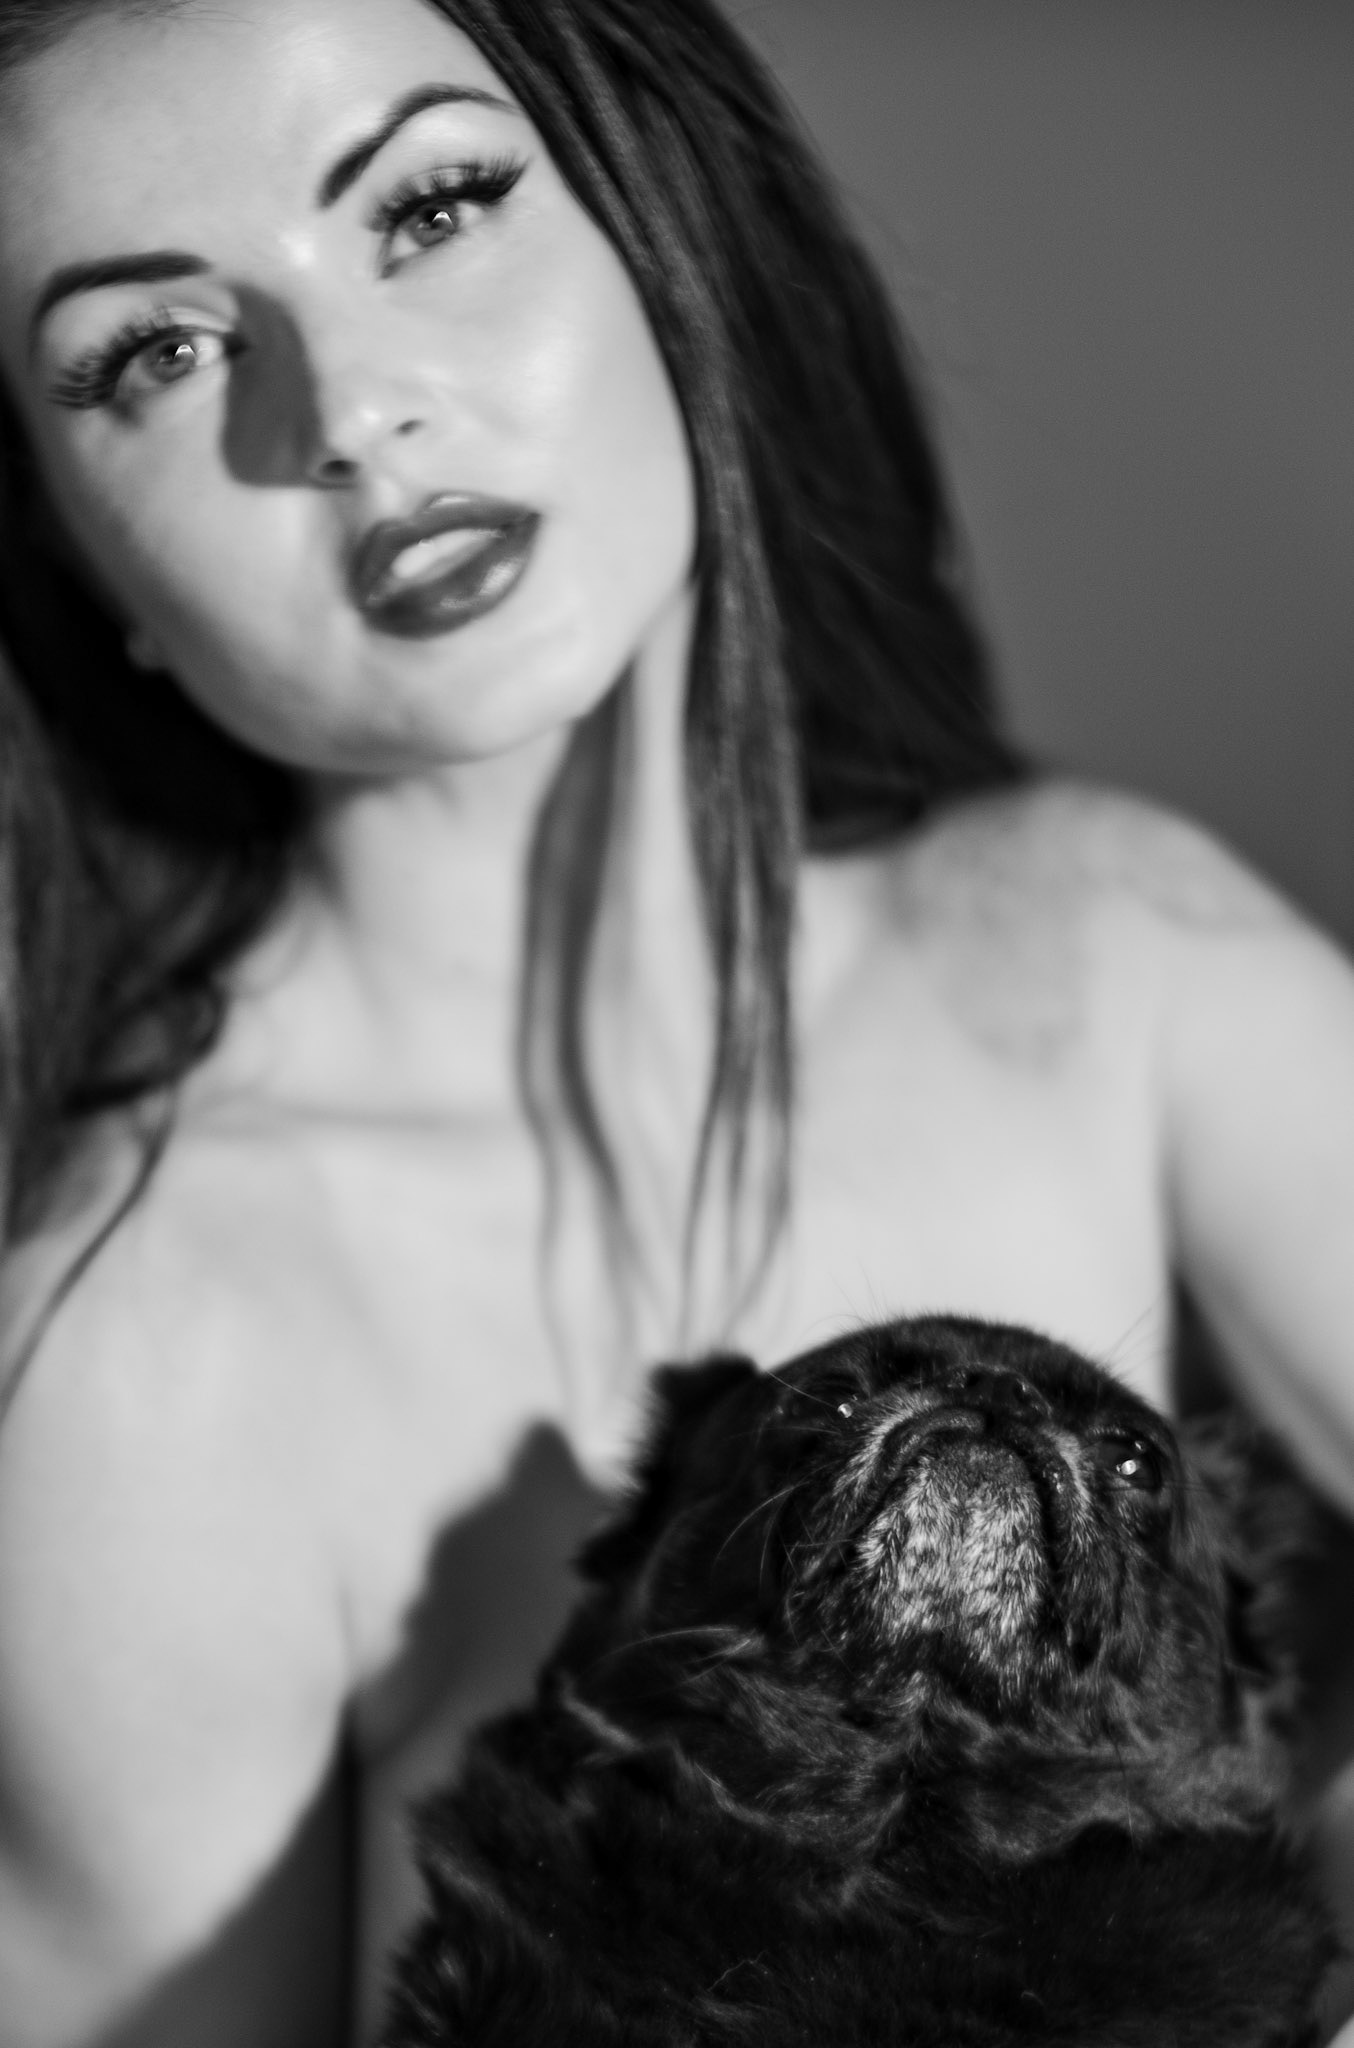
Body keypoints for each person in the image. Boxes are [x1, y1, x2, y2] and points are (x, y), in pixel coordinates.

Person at [1, 0, 1353, 2042]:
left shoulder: (1105, 961)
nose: (350, 410)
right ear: (64, 538)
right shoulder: (136, 1363)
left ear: (663, 230)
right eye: (156, 355)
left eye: (431, 206)